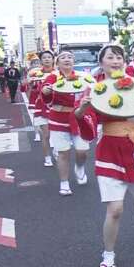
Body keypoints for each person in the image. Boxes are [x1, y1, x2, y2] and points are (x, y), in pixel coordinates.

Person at [75, 45, 134, 267]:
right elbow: (88, 126)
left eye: (119, 57)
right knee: (115, 210)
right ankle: (108, 255)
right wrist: (80, 113)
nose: (115, 61)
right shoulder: (95, 89)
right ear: (102, 62)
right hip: (110, 152)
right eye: (110, 57)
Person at [41, 51, 90, 195]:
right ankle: (64, 182)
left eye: (70, 57)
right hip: (58, 119)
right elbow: (45, 89)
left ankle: (80, 167)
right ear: (57, 63)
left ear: (74, 61)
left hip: (78, 118)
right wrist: (46, 91)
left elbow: (93, 89)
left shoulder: (82, 77)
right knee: (63, 153)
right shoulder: (53, 77)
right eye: (63, 57)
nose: (67, 59)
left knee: (82, 151)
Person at [21, 51, 55, 166]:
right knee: (46, 134)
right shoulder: (35, 74)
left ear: (53, 59)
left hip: (56, 107)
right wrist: (29, 82)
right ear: (41, 61)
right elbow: (23, 86)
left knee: (55, 133)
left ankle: (56, 151)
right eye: (44, 58)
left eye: (49, 57)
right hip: (41, 107)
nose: (47, 59)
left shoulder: (59, 73)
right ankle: (47, 157)